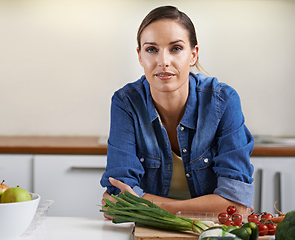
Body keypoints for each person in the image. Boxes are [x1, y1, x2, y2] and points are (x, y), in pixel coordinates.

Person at [100, 5, 254, 217]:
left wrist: (152, 206)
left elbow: (237, 205)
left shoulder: (223, 101)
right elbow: (117, 201)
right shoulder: (126, 103)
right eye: (152, 49)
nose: (163, 61)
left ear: (193, 55)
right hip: (150, 232)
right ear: (140, 56)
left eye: (176, 48)